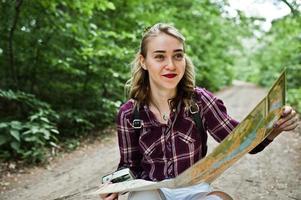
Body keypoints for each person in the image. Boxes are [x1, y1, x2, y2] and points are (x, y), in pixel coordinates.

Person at [100, 23, 299, 200]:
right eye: (160, 56)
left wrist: (275, 128)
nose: (171, 65)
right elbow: (129, 165)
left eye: (178, 55)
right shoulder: (129, 114)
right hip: (150, 189)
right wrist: (115, 185)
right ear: (143, 61)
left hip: (195, 189)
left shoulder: (200, 101)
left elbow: (243, 142)